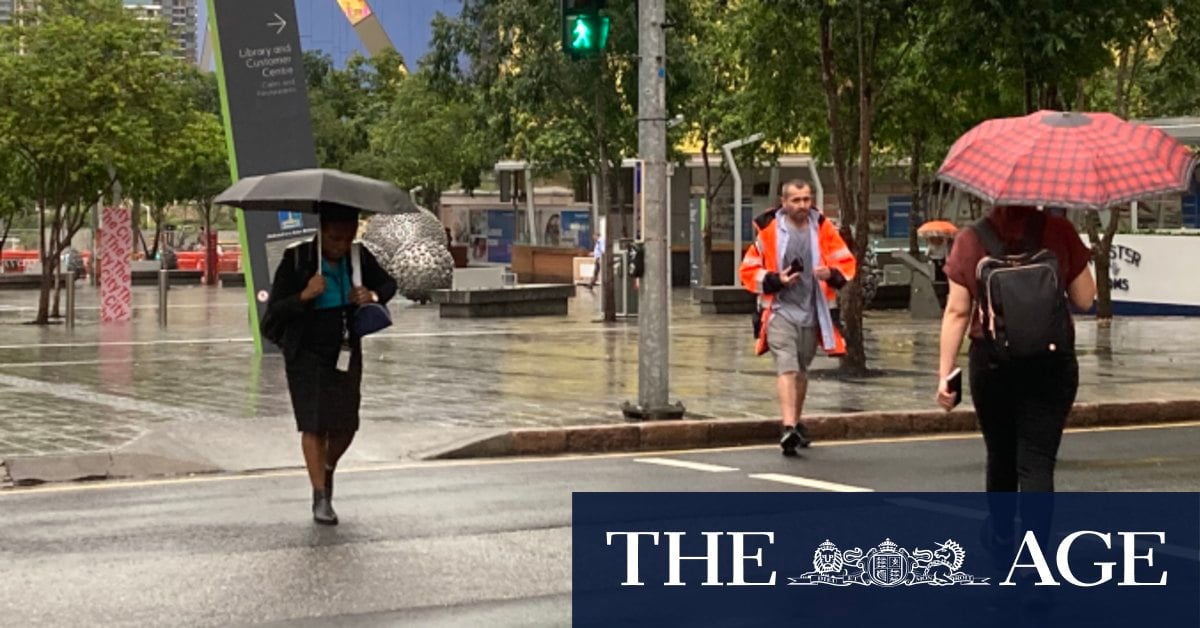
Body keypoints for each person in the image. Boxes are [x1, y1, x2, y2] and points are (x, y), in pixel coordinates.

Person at [264, 203, 397, 525]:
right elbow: (275, 313)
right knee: (313, 423)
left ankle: (327, 466)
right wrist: (305, 295)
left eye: (348, 236)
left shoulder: (359, 257)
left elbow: (389, 284)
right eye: (335, 238)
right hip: (305, 351)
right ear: (321, 232)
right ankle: (320, 497)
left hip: (345, 348)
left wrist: (372, 295)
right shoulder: (297, 260)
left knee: (346, 423)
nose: (341, 244)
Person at [740, 180, 857, 456]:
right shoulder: (768, 232)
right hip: (780, 310)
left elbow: (846, 262)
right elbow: (748, 270)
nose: (802, 205)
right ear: (784, 202)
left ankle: (796, 424)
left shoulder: (824, 228)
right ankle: (788, 426)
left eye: (806, 199)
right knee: (787, 366)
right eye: (796, 200)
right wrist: (775, 279)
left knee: (802, 370)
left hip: (813, 311)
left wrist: (832, 273)